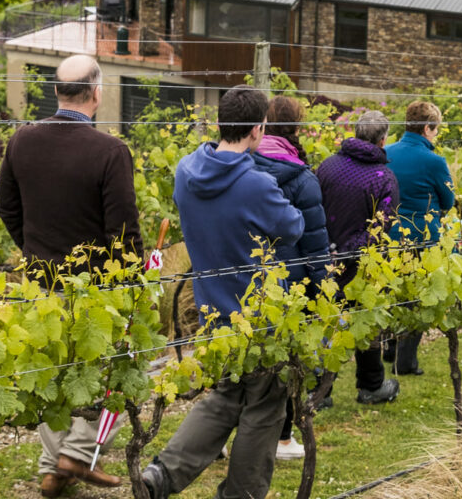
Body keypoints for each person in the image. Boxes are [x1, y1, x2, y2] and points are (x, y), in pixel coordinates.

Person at [140, 87, 304, 499]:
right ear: (257, 129)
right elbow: (293, 227)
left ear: (218, 123)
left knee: (226, 396)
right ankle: (241, 495)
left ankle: (163, 474)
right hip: (259, 314)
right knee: (264, 408)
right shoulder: (256, 184)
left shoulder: (186, 171)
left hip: (212, 311)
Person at [0, 55, 144, 497]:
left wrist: (33, 249)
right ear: (97, 92)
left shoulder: (22, 140)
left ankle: (52, 466)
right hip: (94, 286)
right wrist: (131, 282)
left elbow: (5, 206)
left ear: (56, 91)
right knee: (107, 367)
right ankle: (75, 455)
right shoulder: (110, 151)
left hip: (38, 281)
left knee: (49, 370)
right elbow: (123, 230)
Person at [248, 95, 330, 462]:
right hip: (289, 281)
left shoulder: (239, 166)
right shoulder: (301, 177)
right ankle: (281, 438)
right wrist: (323, 287)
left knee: (244, 355)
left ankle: (226, 435)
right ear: (296, 128)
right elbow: (315, 241)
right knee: (285, 359)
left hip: (245, 274)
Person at [315, 110, 400, 405]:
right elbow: (381, 228)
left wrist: (330, 250)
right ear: (383, 140)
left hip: (325, 257)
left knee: (326, 321)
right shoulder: (384, 178)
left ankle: (319, 391)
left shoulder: (327, 166)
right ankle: (371, 385)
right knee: (365, 321)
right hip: (362, 262)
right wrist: (351, 251)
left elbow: (313, 210)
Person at [382, 100, 455, 375]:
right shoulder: (434, 161)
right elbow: (448, 200)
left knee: (392, 290)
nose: (436, 135)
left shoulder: (386, 152)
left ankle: (388, 347)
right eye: (436, 129)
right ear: (427, 128)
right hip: (422, 236)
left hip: (390, 234)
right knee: (416, 296)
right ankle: (406, 361)